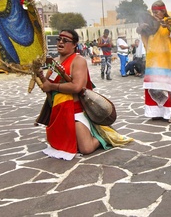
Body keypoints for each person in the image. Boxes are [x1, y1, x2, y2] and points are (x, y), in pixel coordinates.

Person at [40, 29, 132, 160]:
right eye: (59, 39)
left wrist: (52, 86)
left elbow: (77, 87)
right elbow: (49, 87)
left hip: (75, 110)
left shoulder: (78, 61)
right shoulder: (55, 61)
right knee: (59, 144)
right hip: (58, 110)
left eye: (65, 40)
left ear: (74, 45)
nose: (60, 42)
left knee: (86, 148)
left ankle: (103, 137)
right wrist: (43, 82)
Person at [137, 0, 171, 123]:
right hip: (154, 62)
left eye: (157, 12)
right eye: (153, 12)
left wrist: (170, 27)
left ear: (163, 11)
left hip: (168, 62)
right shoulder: (152, 25)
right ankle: (157, 112)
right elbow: (144, 38)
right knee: (154, 87)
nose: (154, 14)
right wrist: (141, 28)